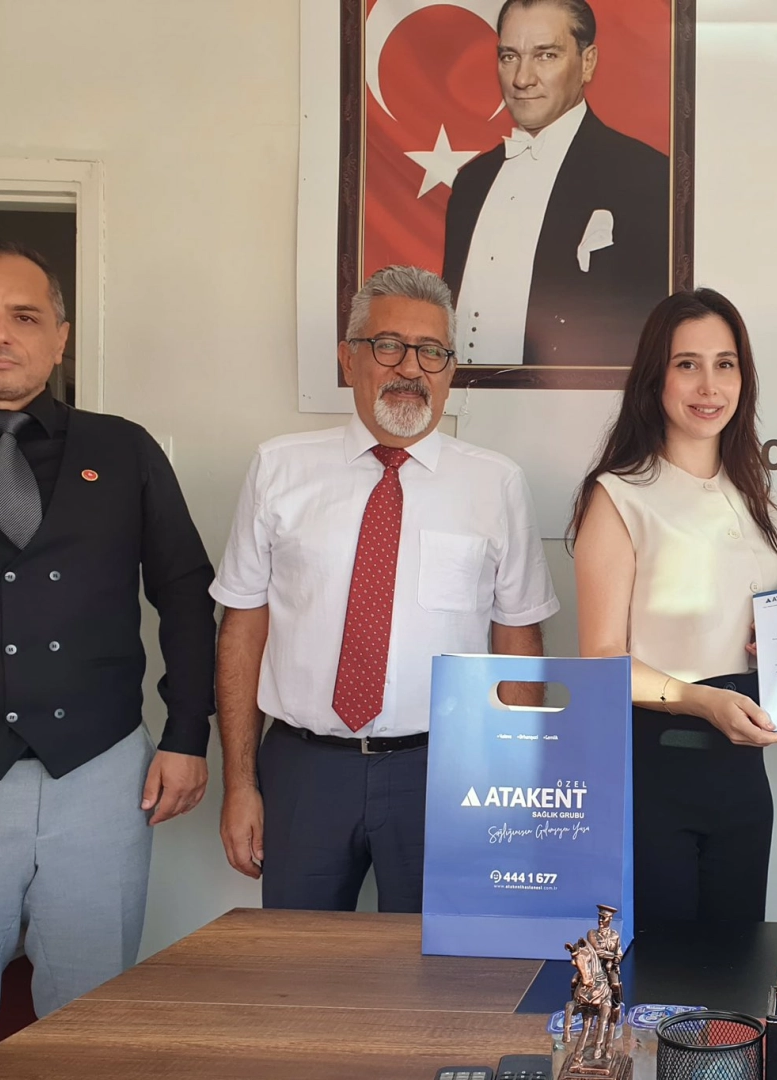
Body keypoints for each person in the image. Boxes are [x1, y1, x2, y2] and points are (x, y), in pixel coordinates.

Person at [0, 239, 215, 1080]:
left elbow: (186, 592)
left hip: (101, 778)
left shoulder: (124, 450)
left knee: (94, 1022)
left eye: (24, 315)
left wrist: (187, 735)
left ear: (60, 336)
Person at [212, 265, 557, 913]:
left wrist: (516, 791)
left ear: (450, 370)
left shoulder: (495, 484)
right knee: (298, 961)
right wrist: (239, 783)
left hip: (445, 772)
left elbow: (518, 639)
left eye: (431, 352)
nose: (410, 368)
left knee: (437, 965)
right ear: (349, 359)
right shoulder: (278, 469)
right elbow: (242, 629)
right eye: (389, 345)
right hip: (304, 770)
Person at [570, 288, 777, 922]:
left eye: (725, 364)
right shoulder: (619, 495)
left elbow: (754, 630)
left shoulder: (756, 496)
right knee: (665, 970)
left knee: (738, 966)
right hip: (657, 763)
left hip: (743, 770)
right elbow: (602, 658)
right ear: (655, 377)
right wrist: (701, 700)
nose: (709, 385)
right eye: (687, 364)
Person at [443, 0, 669, 368]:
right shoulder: (471, 182)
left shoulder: (646, 175)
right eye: (509, 57)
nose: (522, 79)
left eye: (546, 55)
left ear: (588, 62)